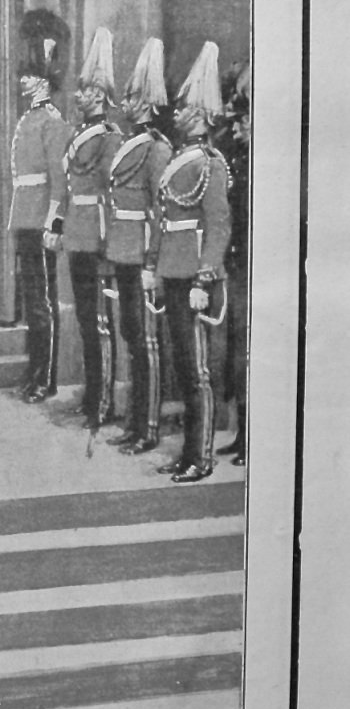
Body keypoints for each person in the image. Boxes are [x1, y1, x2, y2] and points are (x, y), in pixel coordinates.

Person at [146, 42, 233, 484]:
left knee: (198, 373)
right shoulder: (180, 158)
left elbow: (217, 226)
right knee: (184, 368)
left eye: (182, 107)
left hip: (195, 276)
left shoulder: (211, 163)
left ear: (199, 113)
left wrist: (204, 277)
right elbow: (164, 219)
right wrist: (157, 269)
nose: (175, 113)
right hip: (174, 272)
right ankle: (186, 455)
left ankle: (201, 457)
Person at [105, 38, 174, 455]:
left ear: (147, 103)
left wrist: (153, 262)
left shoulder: (157, 149)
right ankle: (135, 424)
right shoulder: (131, 142)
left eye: (132, 96)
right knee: (132, 336)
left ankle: (148, 428)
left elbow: (160, 210)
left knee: (146, 342)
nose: (125, 102)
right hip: (123, 250)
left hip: (142, 253)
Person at [56, 28, 122, 431]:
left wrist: (107, 244)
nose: (77, 96)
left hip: (97, 238)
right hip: (78, 237)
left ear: (98, 95)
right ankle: (93, 395)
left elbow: (112, 195)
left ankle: (104, 402)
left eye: (83, 91)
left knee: (99, 324)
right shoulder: (80, 133)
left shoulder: (110, 138)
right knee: (85, 321)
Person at [9, 11, 72, 403]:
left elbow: (59, 179)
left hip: (41, 218)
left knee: (44, 301)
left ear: (44, 81)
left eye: (29, 76)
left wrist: (54, 222)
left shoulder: (52, 121)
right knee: (33, 300)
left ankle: (46, 378)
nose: (22, 82)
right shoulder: (29, 119)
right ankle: (35, 371)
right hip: (24, 215)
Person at [216, 60, 250, 467]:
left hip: (253, 270)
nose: (236, 127)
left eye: (243, 120)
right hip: (237, 266)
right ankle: (241, 434)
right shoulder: (237, 160)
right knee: (236, 352)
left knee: (249, 352)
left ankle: (251, 437)